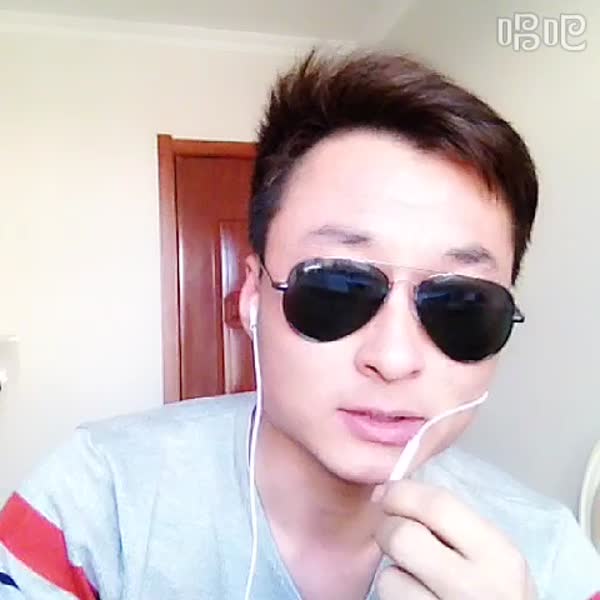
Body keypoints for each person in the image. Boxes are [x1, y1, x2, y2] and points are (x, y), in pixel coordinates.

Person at [1, 50, 599, 600]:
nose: (394, 358)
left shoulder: (553, 559)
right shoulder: (96, 506)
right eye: (335, 286)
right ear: (251, 296)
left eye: (461, 303)